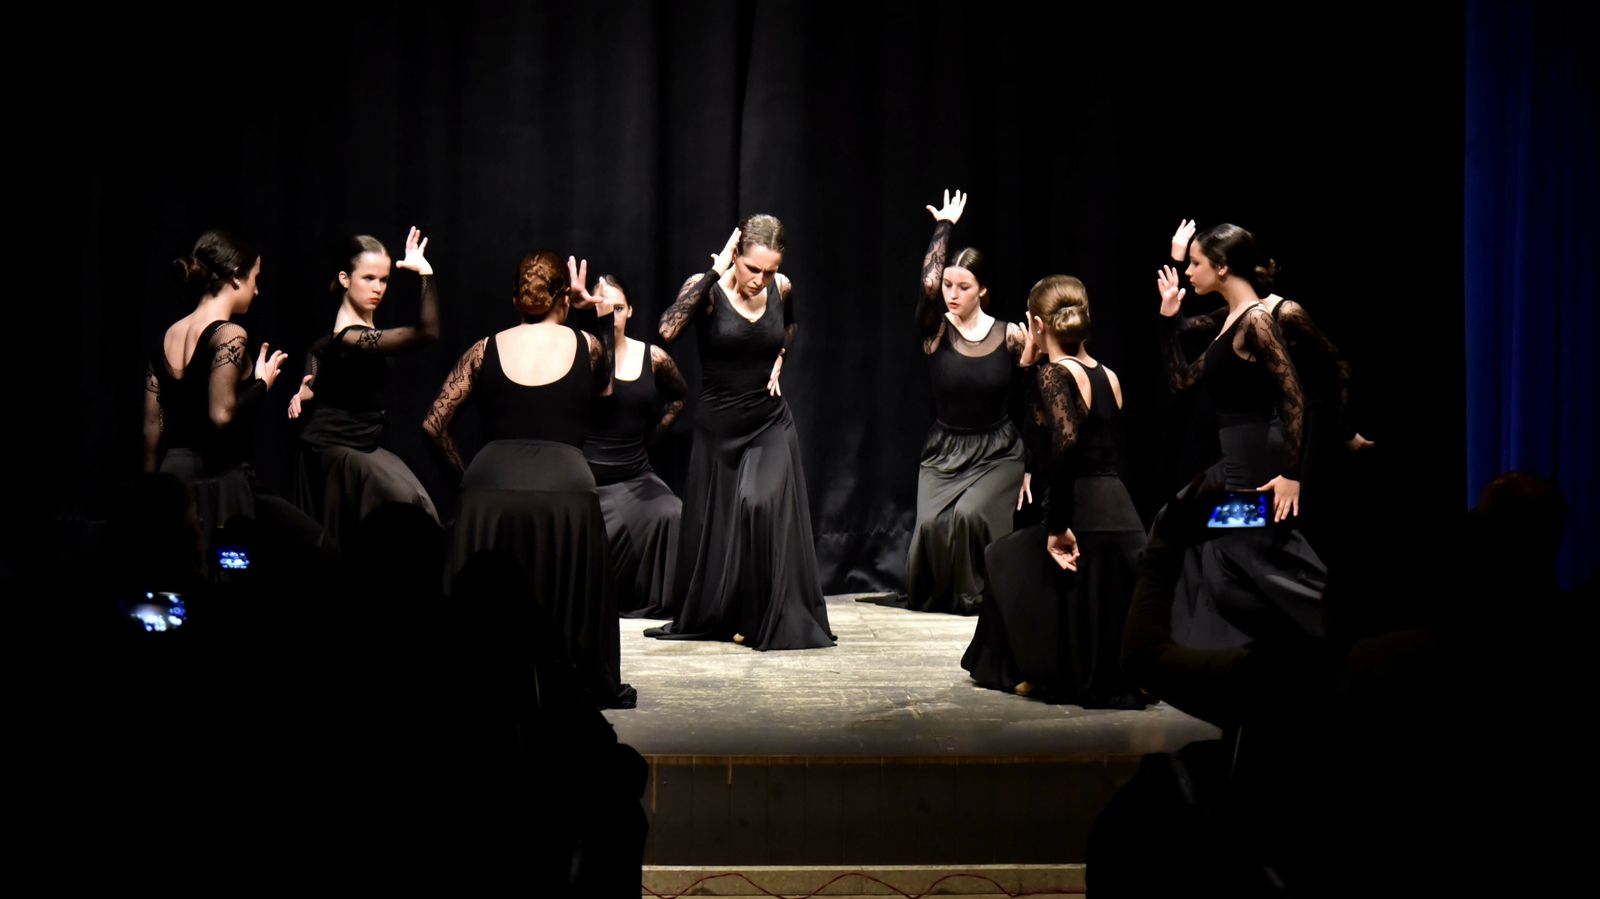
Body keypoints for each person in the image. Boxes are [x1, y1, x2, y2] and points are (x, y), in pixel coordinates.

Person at [423, 250, 635, 708]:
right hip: (566, 491)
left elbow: (432, 426)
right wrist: (593, 307)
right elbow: (607, 393)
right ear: (563, 295)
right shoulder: (589, 345)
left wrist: (468, 481)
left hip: (489, 490)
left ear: (515, 298)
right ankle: (568, 675)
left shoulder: (484, 348)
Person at [645, 216, 834, 650]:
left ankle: (764, 614)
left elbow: (791, 324)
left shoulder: (781, 287)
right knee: (723, 525)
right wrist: (716, 271)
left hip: (768, 421)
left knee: (760, 502)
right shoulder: (707, 288)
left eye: (769, 270)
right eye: (753, 269)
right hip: (718, 429)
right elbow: (667, 330)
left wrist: (782, 355)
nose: (761, 280)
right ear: (737, 256)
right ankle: (732, 614)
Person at [962, 276, 1145, 707]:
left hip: (1083, 517)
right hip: (1122, 516)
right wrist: (1028, 366)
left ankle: (1030, 671)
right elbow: (1046, 431)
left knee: (999, 556)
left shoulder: (1055, 375)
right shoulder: (1109, 374)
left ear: (1038, 325)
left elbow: (1061, 452)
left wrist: (1057, 527)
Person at [1155, 224, 1327, 648]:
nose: (1191, 271)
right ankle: (1206, 647)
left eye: (1197, 264)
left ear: (1223, 267)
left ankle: (1334, 624)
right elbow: (1181, 380)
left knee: (1258, 548)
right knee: (1197, 531)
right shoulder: (1228, 319)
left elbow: (1294, 398)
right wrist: (1167, 319)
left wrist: (1291, 473)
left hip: (1256, 461)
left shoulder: (1257, 321)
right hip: (1235, 458)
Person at [144, 229, 325, 560]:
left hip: (172, 479)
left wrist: (152, 493)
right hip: (218, 480)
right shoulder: (230, 333)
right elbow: (221, 414)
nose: (257, 290)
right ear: (236, 278)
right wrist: (262, 384)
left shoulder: (168, 336)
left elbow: (151, 429)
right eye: (255, 278)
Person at [906, 189, 1034, 615]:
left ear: (982, 291)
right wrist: (943, 227)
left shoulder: (1010, 335)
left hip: (998, 451)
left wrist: (1032, 464)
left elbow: (1035, 399)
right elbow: (926, 284)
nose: (951, 294)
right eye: (948, 285)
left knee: (969, 517)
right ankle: (942, 595)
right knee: (929, 525)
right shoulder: (935, 332)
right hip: (945, 451)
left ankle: (976, 598)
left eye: (963, 286)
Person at [288, 228, 440, 548]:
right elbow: (428, 332)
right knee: (407, 511)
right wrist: (425, 273)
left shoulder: (346, 335)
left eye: (383, 280)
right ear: (345, 279)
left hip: (364, 445)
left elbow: (319, 348)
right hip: (336, 448)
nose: (378, 288)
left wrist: (309, 386)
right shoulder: (353, 337)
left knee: (419, 511)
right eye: (368, 278)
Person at [580, 273, 687, 618]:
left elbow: (679, 397)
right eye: (604, 307)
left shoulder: (652, 357)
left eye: (619, 307)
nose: (613, 315)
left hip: (636, 476)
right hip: (587, 480)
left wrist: (652, 439)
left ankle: (659, 602)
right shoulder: (579, 354)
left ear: (631, 311)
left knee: (673, 512)